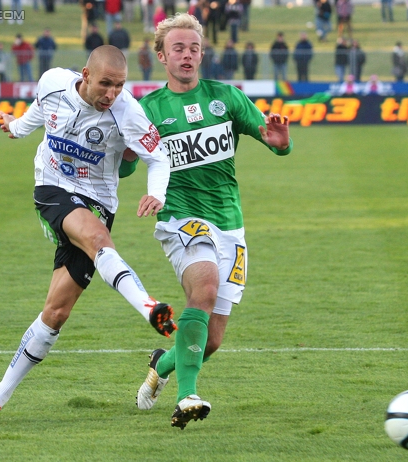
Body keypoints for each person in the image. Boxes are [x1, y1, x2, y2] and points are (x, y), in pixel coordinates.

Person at [0, 45, 175, 427]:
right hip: (52, 189)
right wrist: (13, 126)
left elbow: (158, 157)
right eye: (106, 84)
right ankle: (148, 307)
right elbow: (34, 118)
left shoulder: (127, 111)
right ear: (86, 75)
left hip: (100, 201)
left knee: (56, 313)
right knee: (96, 240)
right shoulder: (53, 83)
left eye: (120, 86)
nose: (112, 94)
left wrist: (156, 193)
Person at [135, 13, 292, 430]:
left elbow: (273, 140)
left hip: (230, 223)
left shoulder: (227, 97)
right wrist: (129, 156)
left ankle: (163, 364)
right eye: (178, 49)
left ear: (202, 53)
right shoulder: (147, 109)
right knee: (203, 288)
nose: (187, 55)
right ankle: (188, 397)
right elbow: (124, 168)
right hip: (180, 219)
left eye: (193, 48)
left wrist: (280, 141)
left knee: (212, 339)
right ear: (161, 56)